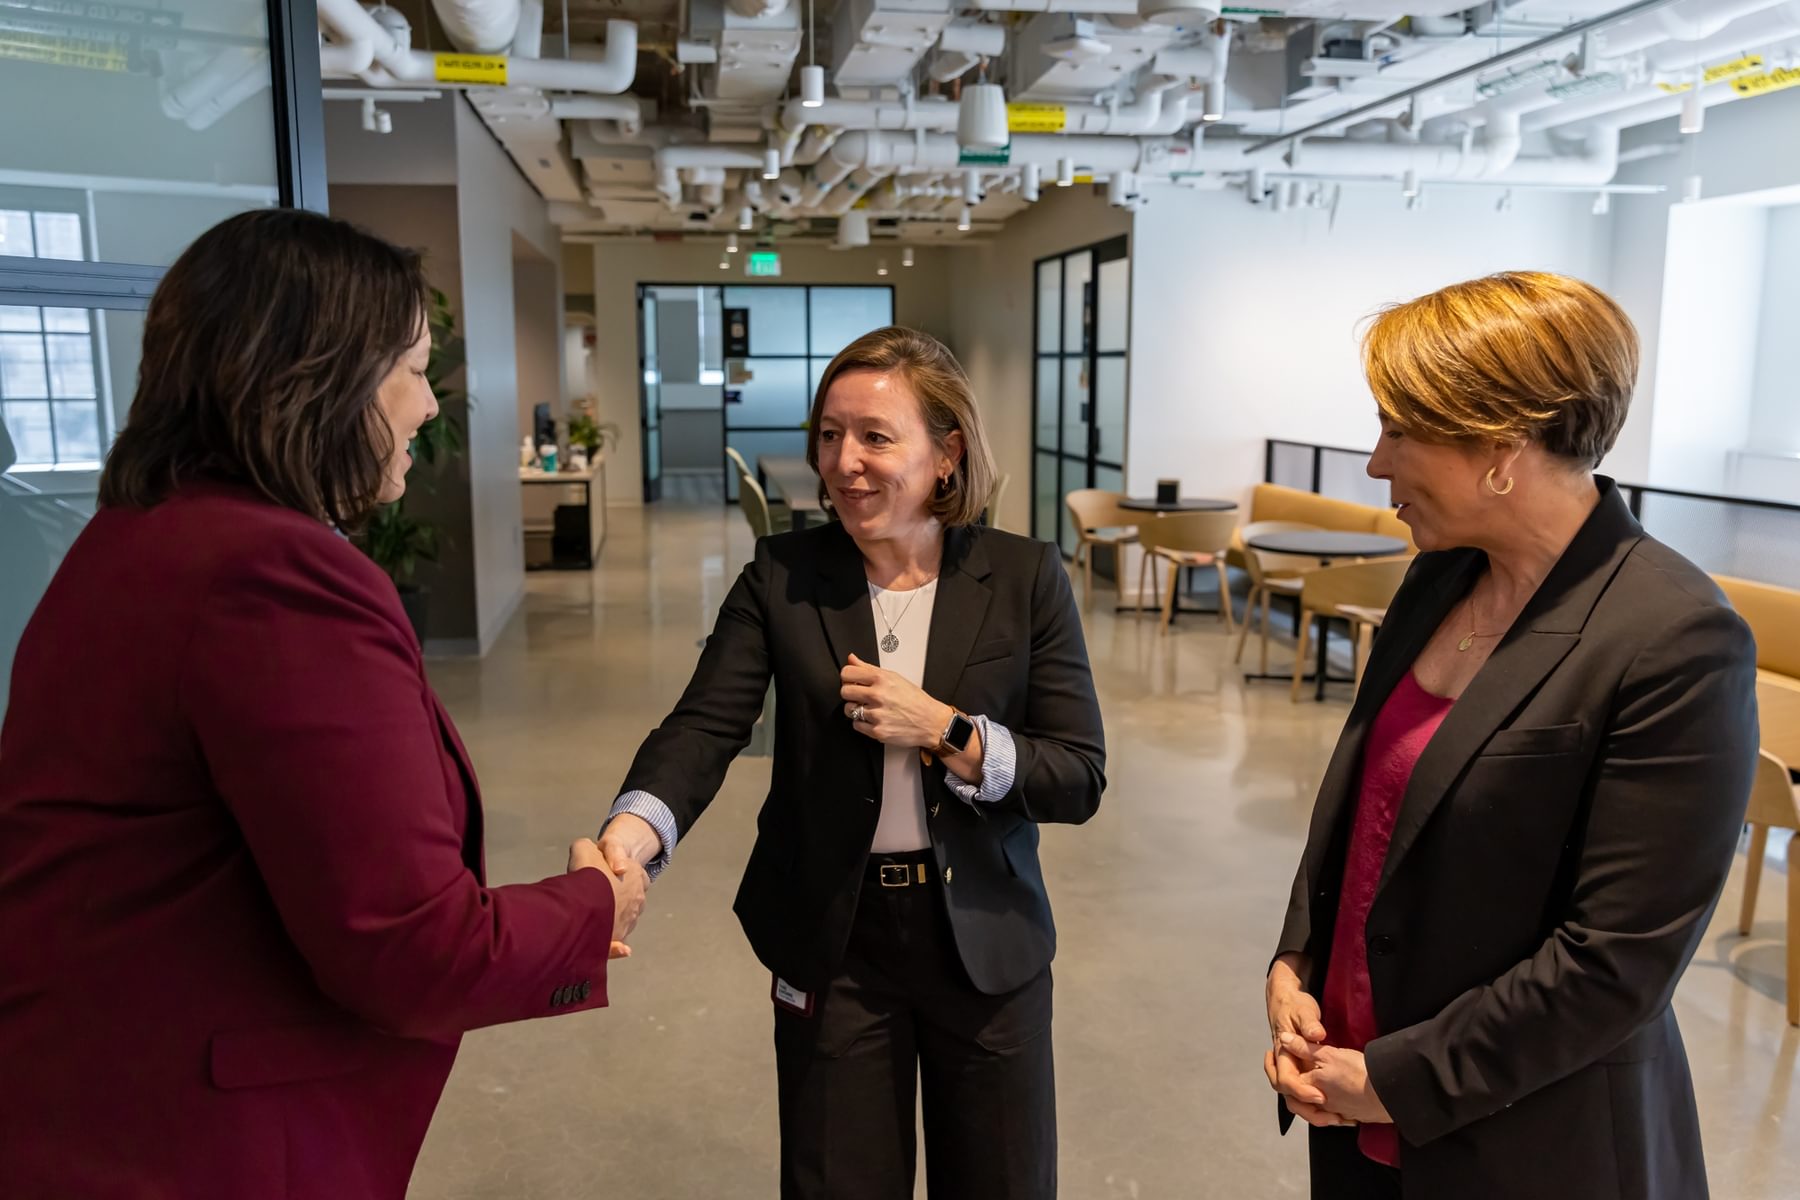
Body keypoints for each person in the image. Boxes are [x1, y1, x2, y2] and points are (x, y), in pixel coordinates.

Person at [0, 209, 647, 1198]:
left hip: (87, 1094)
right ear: (324, 378)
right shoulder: (273, 576)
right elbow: (412, 951)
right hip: (198, 1145)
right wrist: (596, 901)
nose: (430, 407)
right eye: (414, 369)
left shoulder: (136, 539)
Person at [1262, 271, 1759, 1199]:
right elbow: (1367, 809)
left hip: (1527, 1139)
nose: (1376, 464)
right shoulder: (1440, 579)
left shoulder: (1673, 634)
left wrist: (1396, 1081)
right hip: (1355, 1102)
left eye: (1399, 431)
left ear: (1499, 445)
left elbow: (1616, 962)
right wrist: (1298, 960)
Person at [598, 326, 1105, 1199]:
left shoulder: (1023, 577)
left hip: (986, 936)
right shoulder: (782, 576)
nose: (845, 462)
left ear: (947, 454)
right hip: (835, 942)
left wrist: (948, 728)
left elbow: (1077, 774)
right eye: (830, 435)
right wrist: (628, 836)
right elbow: (704, 726)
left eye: (876, 436)